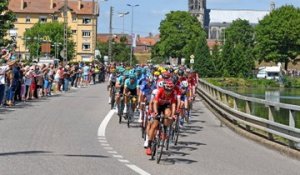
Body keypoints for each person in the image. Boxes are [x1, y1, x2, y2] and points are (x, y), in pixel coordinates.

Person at [145, 80, 177, 155]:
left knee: (168, 114)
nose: (168, 92)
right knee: (154, 125)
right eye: (167, 90)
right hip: (158, 106)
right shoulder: (159, 91)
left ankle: (164, 131)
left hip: (166, 106)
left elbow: (173, 104)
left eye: (170, 90)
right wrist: (155, 112)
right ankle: (149, 145)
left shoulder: (173, 93)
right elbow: (155, 102)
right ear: (164, 88)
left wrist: (173, 115)